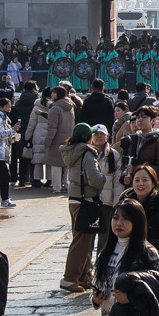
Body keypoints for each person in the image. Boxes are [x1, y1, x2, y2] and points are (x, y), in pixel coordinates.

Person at [60, 123, 121, 295]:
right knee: (81, 241)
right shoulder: (86, 153)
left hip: (74, 200)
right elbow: (94, 179)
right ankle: (70, 278)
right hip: (86, 201)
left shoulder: (72, 151)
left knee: (82, 238)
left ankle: (84, 276)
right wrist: (103, 179)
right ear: (88, 137)